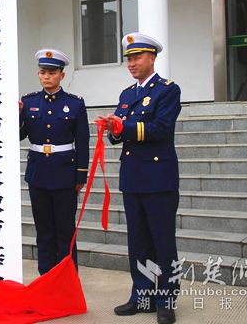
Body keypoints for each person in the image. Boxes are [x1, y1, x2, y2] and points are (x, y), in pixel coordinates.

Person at [99, 32, 181, 324]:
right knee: (138, 242)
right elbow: (116, 137)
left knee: (162, 242)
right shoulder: (127, 94)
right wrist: (113, 127)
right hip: (133, 177)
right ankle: (142, 296)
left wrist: (125, 126)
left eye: (137, 57)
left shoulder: (167, 90)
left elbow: (160, 129)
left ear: (152, 58)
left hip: (159, 178)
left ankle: (166, 300)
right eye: (129, 59)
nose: (132, 63)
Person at [19, 48, 90, 275]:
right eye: (42, 72)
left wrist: (80, 175)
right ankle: (46, 280)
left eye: (51, 72)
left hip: (64, 173)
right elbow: (18, 135)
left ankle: (67, 280)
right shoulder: (28, 102)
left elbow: (82, 141)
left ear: (62, 74)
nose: (46, 76)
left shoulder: (75, 104)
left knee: (65, 232)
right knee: (44, 231)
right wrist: (16, 115)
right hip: (38, 173)